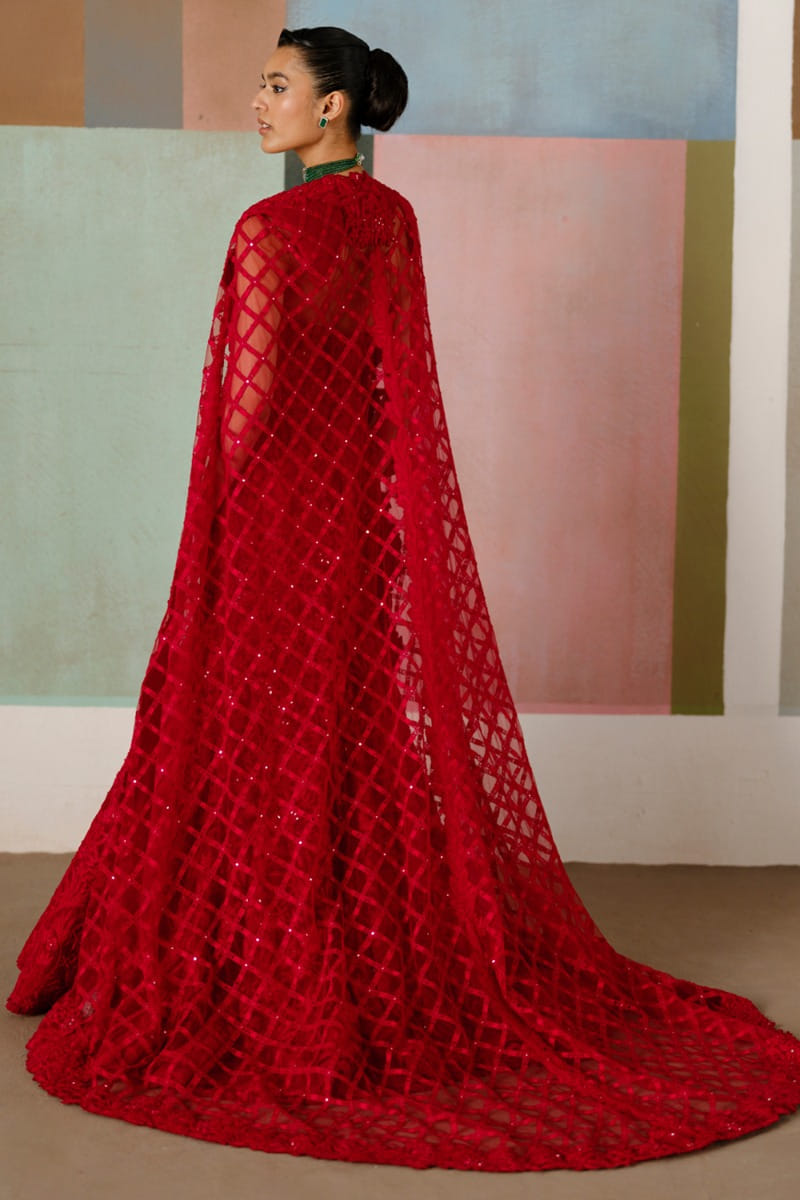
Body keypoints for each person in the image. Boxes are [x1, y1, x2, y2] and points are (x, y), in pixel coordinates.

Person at [7, 25, 800, 1173]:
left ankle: (258, 948)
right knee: (337, 725)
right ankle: (337, 926)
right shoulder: (389, 219)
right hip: (352, 521)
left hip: (273, 516)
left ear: (332, 106)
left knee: (246, 724)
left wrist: (215, 516)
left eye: (276, 85)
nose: (256, 102)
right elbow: (385, 378)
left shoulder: (270, 228)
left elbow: (249, 404)